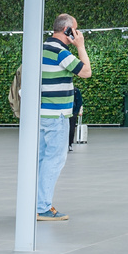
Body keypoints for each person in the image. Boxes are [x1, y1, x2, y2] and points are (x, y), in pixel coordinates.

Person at [37, 14, 92, 221]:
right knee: (54, 161)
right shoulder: (60, 52)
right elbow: (86, 72)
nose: (77, 33)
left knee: (42, 160)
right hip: (57, 115)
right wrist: (80, 46)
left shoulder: (40, 48)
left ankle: (35, 203)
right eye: (75, 30)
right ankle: (42, 207)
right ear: (68, 30)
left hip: (39, 115)